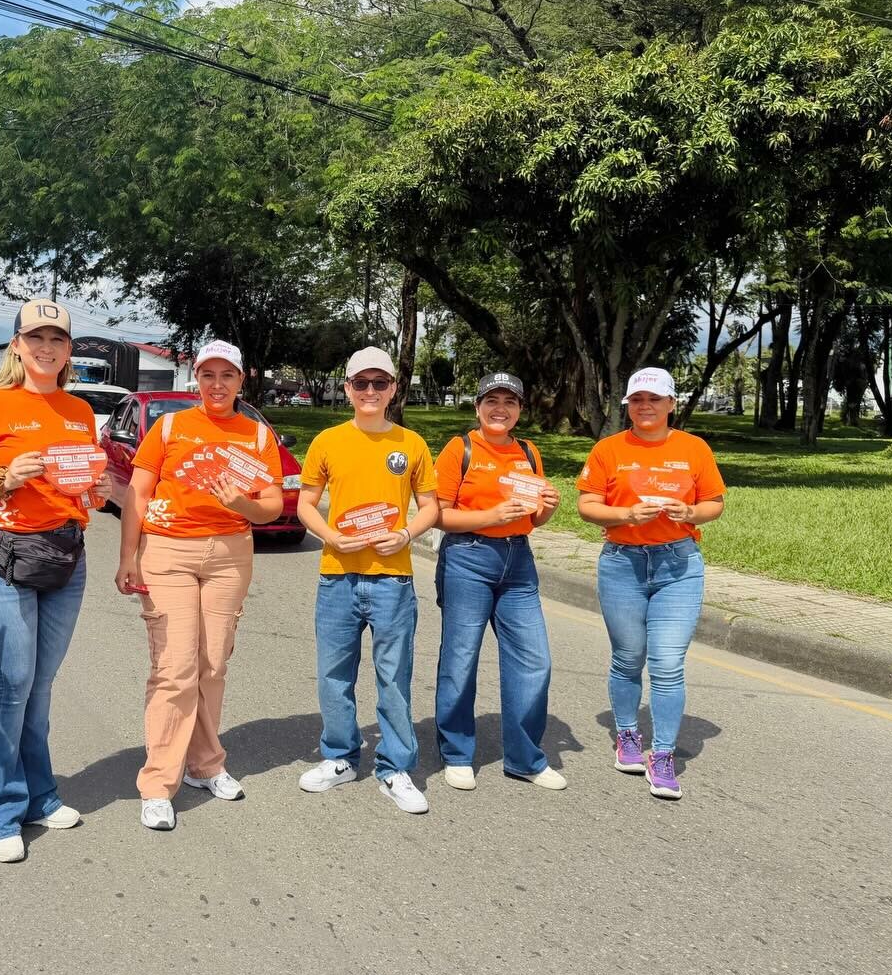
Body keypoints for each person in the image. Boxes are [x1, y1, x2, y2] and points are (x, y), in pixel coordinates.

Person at [0, 299, 105, 862]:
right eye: (35, 338)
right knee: (10, 683)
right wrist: (4, 477)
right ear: (16, 345)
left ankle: (40, 794)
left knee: (39, 685)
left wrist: (94, 493)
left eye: (57, 340)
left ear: (68, 350)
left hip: (64, 554)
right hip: (2, 556)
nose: (46, 348)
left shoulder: (80, 412)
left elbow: (80, 481)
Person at [115, 341, 285, 831]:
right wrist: (130, 556)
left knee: (212, 663)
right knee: (175, 666)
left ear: (241, 379)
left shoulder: (256, 435)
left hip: (230, 554)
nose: (216, 384)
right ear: (196, 379)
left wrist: (242, 504)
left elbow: (271, 504)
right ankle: (157, 783)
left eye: (226, 375)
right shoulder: (170, 426)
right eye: (207, 374)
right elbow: (139, 494)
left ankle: (205, 765)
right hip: (168, 551)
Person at [295, 347, 440, 814]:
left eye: (380, 383)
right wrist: (332, 534)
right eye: (362, 384)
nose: (371, 391)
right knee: (334, 675)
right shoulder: (327, 441)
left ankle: (395, 767)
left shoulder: (411, 444)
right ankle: (339, 756)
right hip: (337, 575)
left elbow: (431, 507)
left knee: (393, 677)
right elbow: (304, 503)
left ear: (394, 388)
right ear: (347, 389)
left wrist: (404, 532)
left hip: (393, 579)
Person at [576, 367, 726, 800]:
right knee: (628, 657)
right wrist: (625, 515)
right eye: (637, 400)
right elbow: (587, 505)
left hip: (678, 566)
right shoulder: (609, 449)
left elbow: (713, 502)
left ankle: (662, 754)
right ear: (628, 405)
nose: (645, 407)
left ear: (671, 405)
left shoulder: (694, 449)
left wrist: (690, 514)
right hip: (621, 563)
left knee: (666, 663)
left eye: (654, 399)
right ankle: (627, 735)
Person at [433, 372, 566, 792]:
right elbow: (437, 515)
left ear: (520, 411)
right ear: (477, 407)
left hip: (518, 561)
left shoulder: (528, 451)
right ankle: (456, 752)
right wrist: (489, 518)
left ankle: (525, 758)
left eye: (510, 402)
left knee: (534, 659)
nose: (500, 409)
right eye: (492, 400)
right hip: (467, 557)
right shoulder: (461, 449)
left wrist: (548, 507)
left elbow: (534, 517)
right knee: (461, 658)